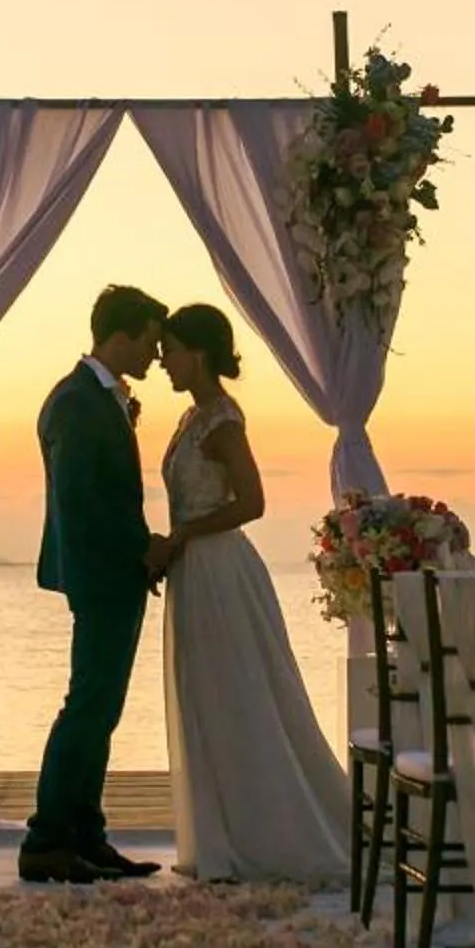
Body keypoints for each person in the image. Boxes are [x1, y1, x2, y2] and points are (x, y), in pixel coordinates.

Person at [151, 303, 352, 883]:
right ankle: (223, 830)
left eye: (172, 349)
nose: (164, 361)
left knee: (238, 693)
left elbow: (252, 501)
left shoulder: (222, 420)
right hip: (194, 570)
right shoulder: (191, 419)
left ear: (200, 352)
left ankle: (266, 829)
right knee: (206, 695)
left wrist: (184, 533)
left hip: (220, 570)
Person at [20, 283, 169, 884]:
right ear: (121, 336)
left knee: (99, 709)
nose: (155, 357)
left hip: (108, 572)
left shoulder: (94, 397)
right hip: (104, 573)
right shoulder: (78, 402)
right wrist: (143, 552)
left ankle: (87, 834)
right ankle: (47, 838)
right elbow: (85, 503)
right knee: (87, 707)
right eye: (150, 343)